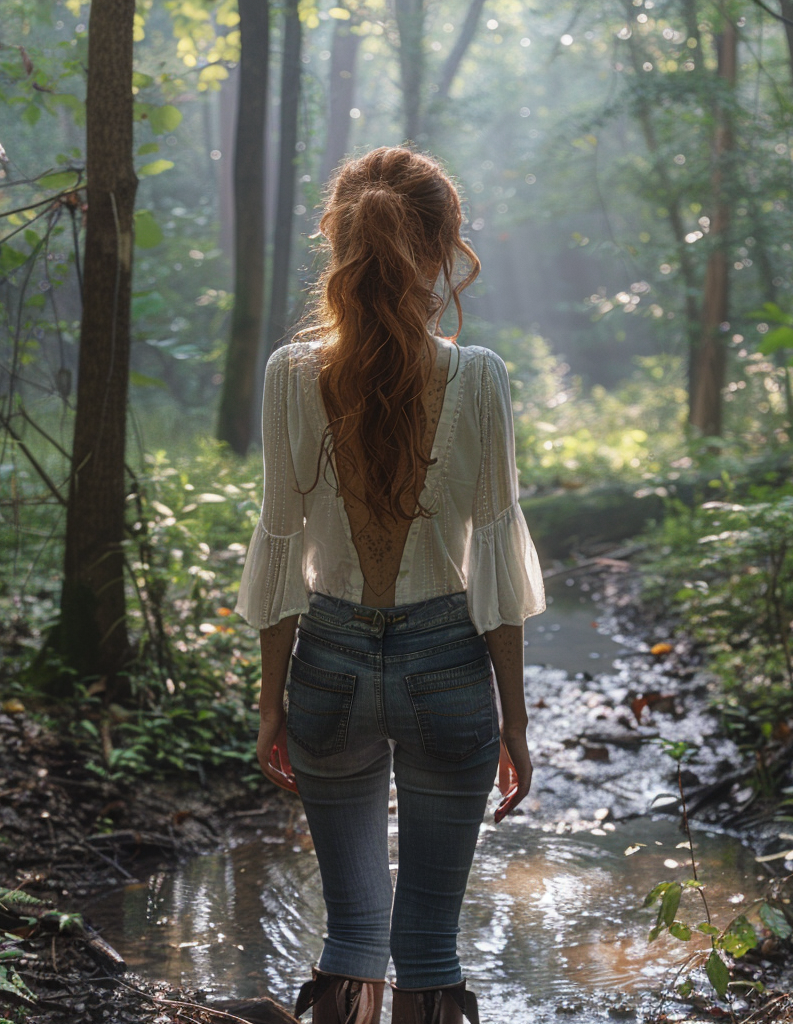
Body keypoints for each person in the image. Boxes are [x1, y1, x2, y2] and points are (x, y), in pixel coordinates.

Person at [235, 146, 546, 1024]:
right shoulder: (479, 375)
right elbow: (494, 560)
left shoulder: (290, 374)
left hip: (327, 664)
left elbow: (280, 542)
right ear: (444, 249)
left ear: (337, 239)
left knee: (351, 935)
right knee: (430, 952)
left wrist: (271, 702)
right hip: (448, 667)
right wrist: (513, 719)